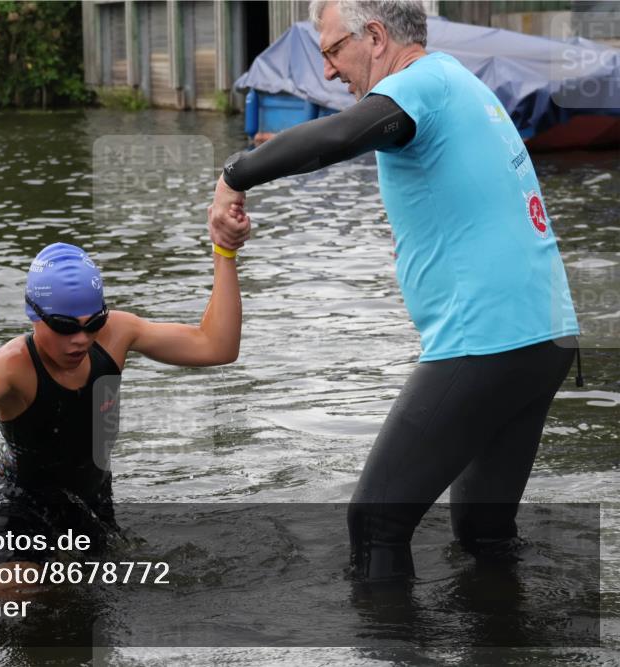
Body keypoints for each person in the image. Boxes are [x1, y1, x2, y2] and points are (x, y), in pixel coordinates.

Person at [209, 0, 580, 581]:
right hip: (545, 335)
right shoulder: (457, 78)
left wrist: (236, 173)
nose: (328, 71)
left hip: (487, 340)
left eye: (332, 50)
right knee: (483, 530)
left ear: (376, 36)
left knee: (376, 521)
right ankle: (509, 636)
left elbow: (339, 136)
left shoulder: (419, 86)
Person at [0, 240, 241, 586]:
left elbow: (217, 346)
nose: (80, 339)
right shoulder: (11, 366)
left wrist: (224, 251)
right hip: (18, 503)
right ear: (35, 315)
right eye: (64, 326)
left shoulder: (117, 334)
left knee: (90, 599)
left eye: (93, 323)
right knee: (12, 586)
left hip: (88, 501)